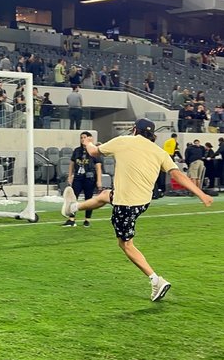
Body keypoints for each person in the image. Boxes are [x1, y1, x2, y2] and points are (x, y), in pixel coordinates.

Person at [61, 118, 213, 301]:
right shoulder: (159, 151)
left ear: (134, 129)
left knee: (125, 244)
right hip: (143, 202)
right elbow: (177, 174)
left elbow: (93, 152)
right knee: (106, 195)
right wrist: (201, 194)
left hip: (126, 204)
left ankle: (156, 280)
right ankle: (73, 207)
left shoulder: (123, 141)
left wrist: (88, 142)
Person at [62, 131, 103, 228]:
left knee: (88, 199)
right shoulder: (77, 151)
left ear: (90, 138)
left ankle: (87, 220)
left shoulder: (94, 151)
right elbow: (72, 164)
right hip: (78, 177)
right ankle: (71, 219)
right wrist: (70, 176)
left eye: (84, 137)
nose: (82, 139)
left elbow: (98, 167)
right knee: (73, 198)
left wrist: (99, 181)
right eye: (81, 137)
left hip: (90, 178)